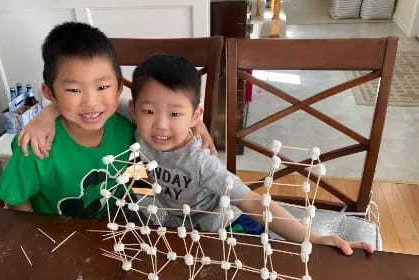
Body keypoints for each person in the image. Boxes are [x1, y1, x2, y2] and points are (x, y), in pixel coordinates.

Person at [22, 53, 374, 255]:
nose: (159, 125)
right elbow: (97, 104)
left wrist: (314, 238)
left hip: (222, 230)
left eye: (175, 114)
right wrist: (48, 111)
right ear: (137, 107)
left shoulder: (201, 163)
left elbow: (252, 202)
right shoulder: (134, 117)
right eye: (148, 111)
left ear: (195, 116)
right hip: (161, 232)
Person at [0, 21, 136, 218]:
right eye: (74, 90)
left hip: (115, 220)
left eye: (102, 87)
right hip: (56, 234)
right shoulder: (36, 145)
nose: (91, 102)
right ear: (50, 93)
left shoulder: (127, 129)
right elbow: (15, 199)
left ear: (119, 87)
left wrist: (193, 125)